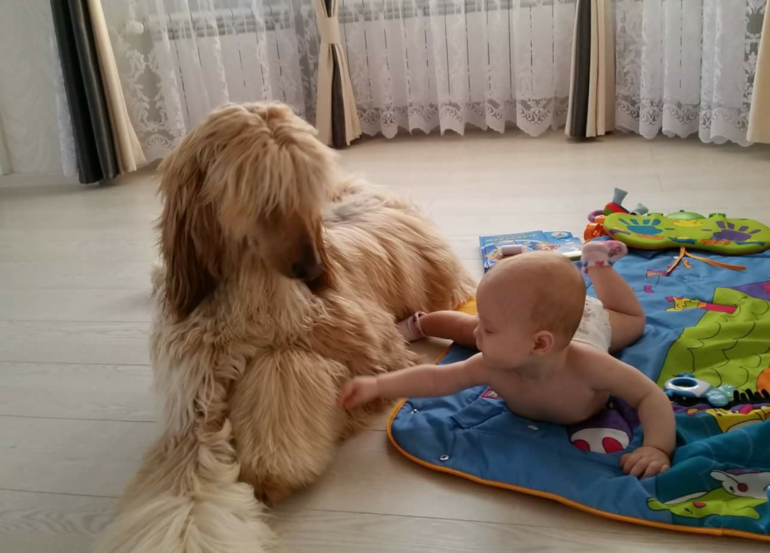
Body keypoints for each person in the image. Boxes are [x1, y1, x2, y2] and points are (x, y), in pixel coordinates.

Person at [338, 242, 675, 478]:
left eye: (489, 329)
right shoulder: (492, 363)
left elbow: (649, 396)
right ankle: (421, 323)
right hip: (527, 331)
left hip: (590, 324)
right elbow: (437, 379)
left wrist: (657, 448)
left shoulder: (591, 367)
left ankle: (597, 265)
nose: (480, 332)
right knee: (465, 327)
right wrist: (379, 385)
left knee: (632, 321)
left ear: (539, 344)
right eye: (485, 324)